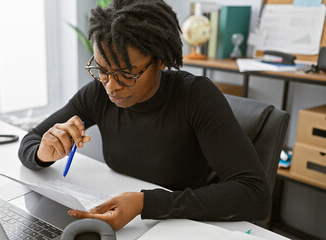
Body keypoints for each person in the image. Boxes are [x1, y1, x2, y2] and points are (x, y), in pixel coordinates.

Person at [19, 0, 270, 231]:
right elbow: (30, 142)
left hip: (185, 227)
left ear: (160, 60)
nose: (111, 86)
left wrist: (144, 204)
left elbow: (254, 195)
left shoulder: (195, 96)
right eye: (102, 70)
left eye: (127, 73)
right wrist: (44, 152)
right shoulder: (97, 94)